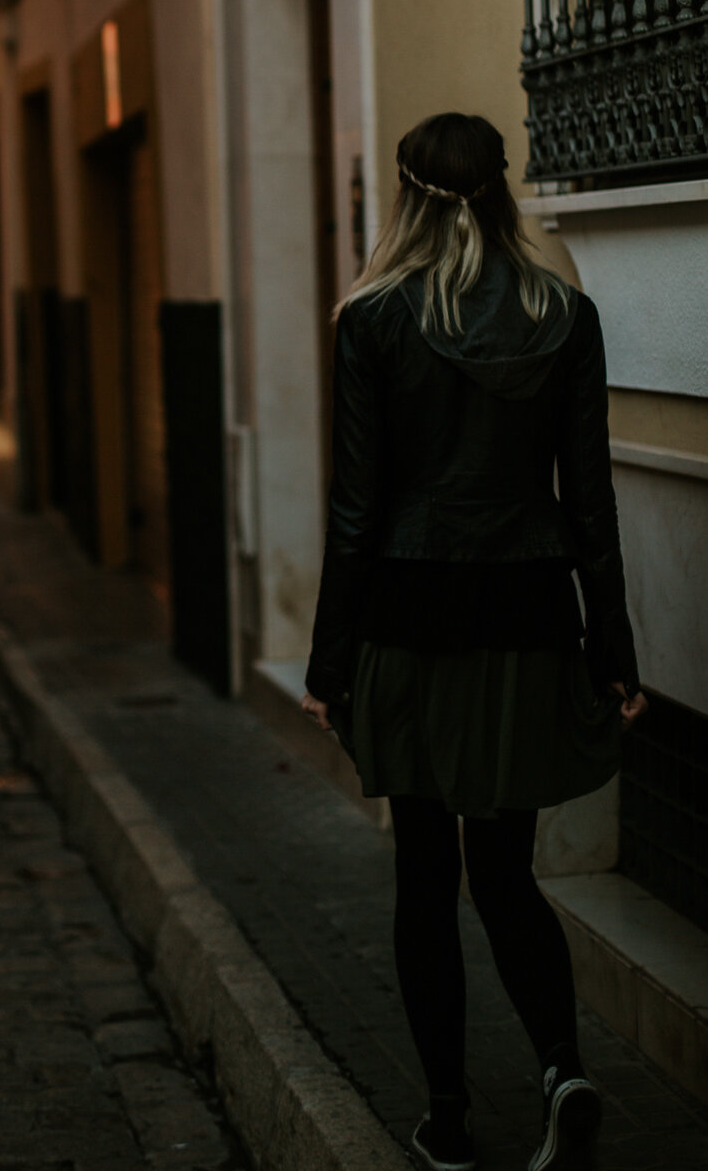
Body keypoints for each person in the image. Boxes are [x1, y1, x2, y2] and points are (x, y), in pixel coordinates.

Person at [300, 112, 646, 1171]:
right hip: (530, 615)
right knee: (505, 867)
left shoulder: (372, 320)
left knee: (422, 868)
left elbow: (356, 513)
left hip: (412, 618)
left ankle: (448, 1117)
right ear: (500, 190)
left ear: (405, 194)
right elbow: (590, 502)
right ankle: (559, 1065)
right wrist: (613, 649)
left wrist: (327, 658)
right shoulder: (566, 315)